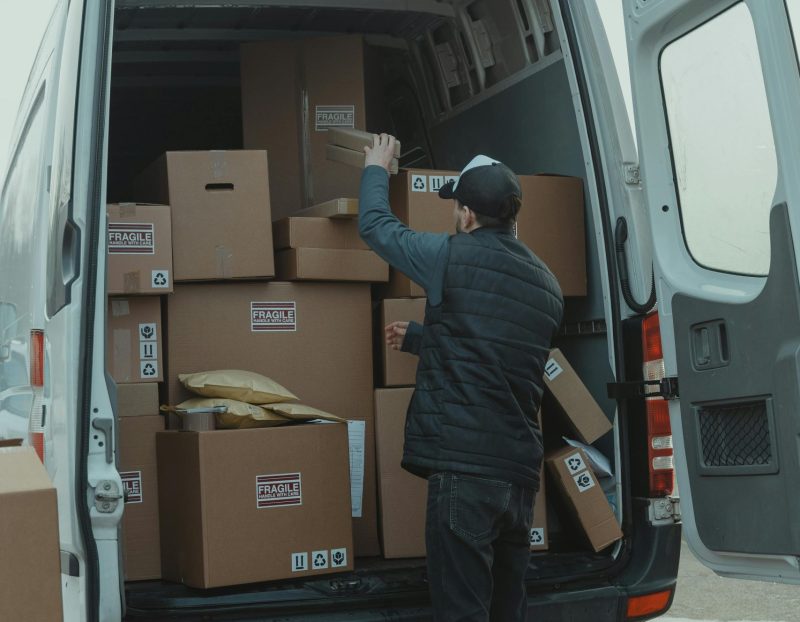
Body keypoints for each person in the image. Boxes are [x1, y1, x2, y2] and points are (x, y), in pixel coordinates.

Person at [360, 133, 564, 622]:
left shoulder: (449, 256)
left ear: (468, 215)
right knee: (504, 611)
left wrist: (376, 169)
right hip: (517, 480)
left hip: (466, 476)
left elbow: (375, 226)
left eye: (457, 211)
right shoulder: (547, 285)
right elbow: (497, 355)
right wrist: (419, 338)